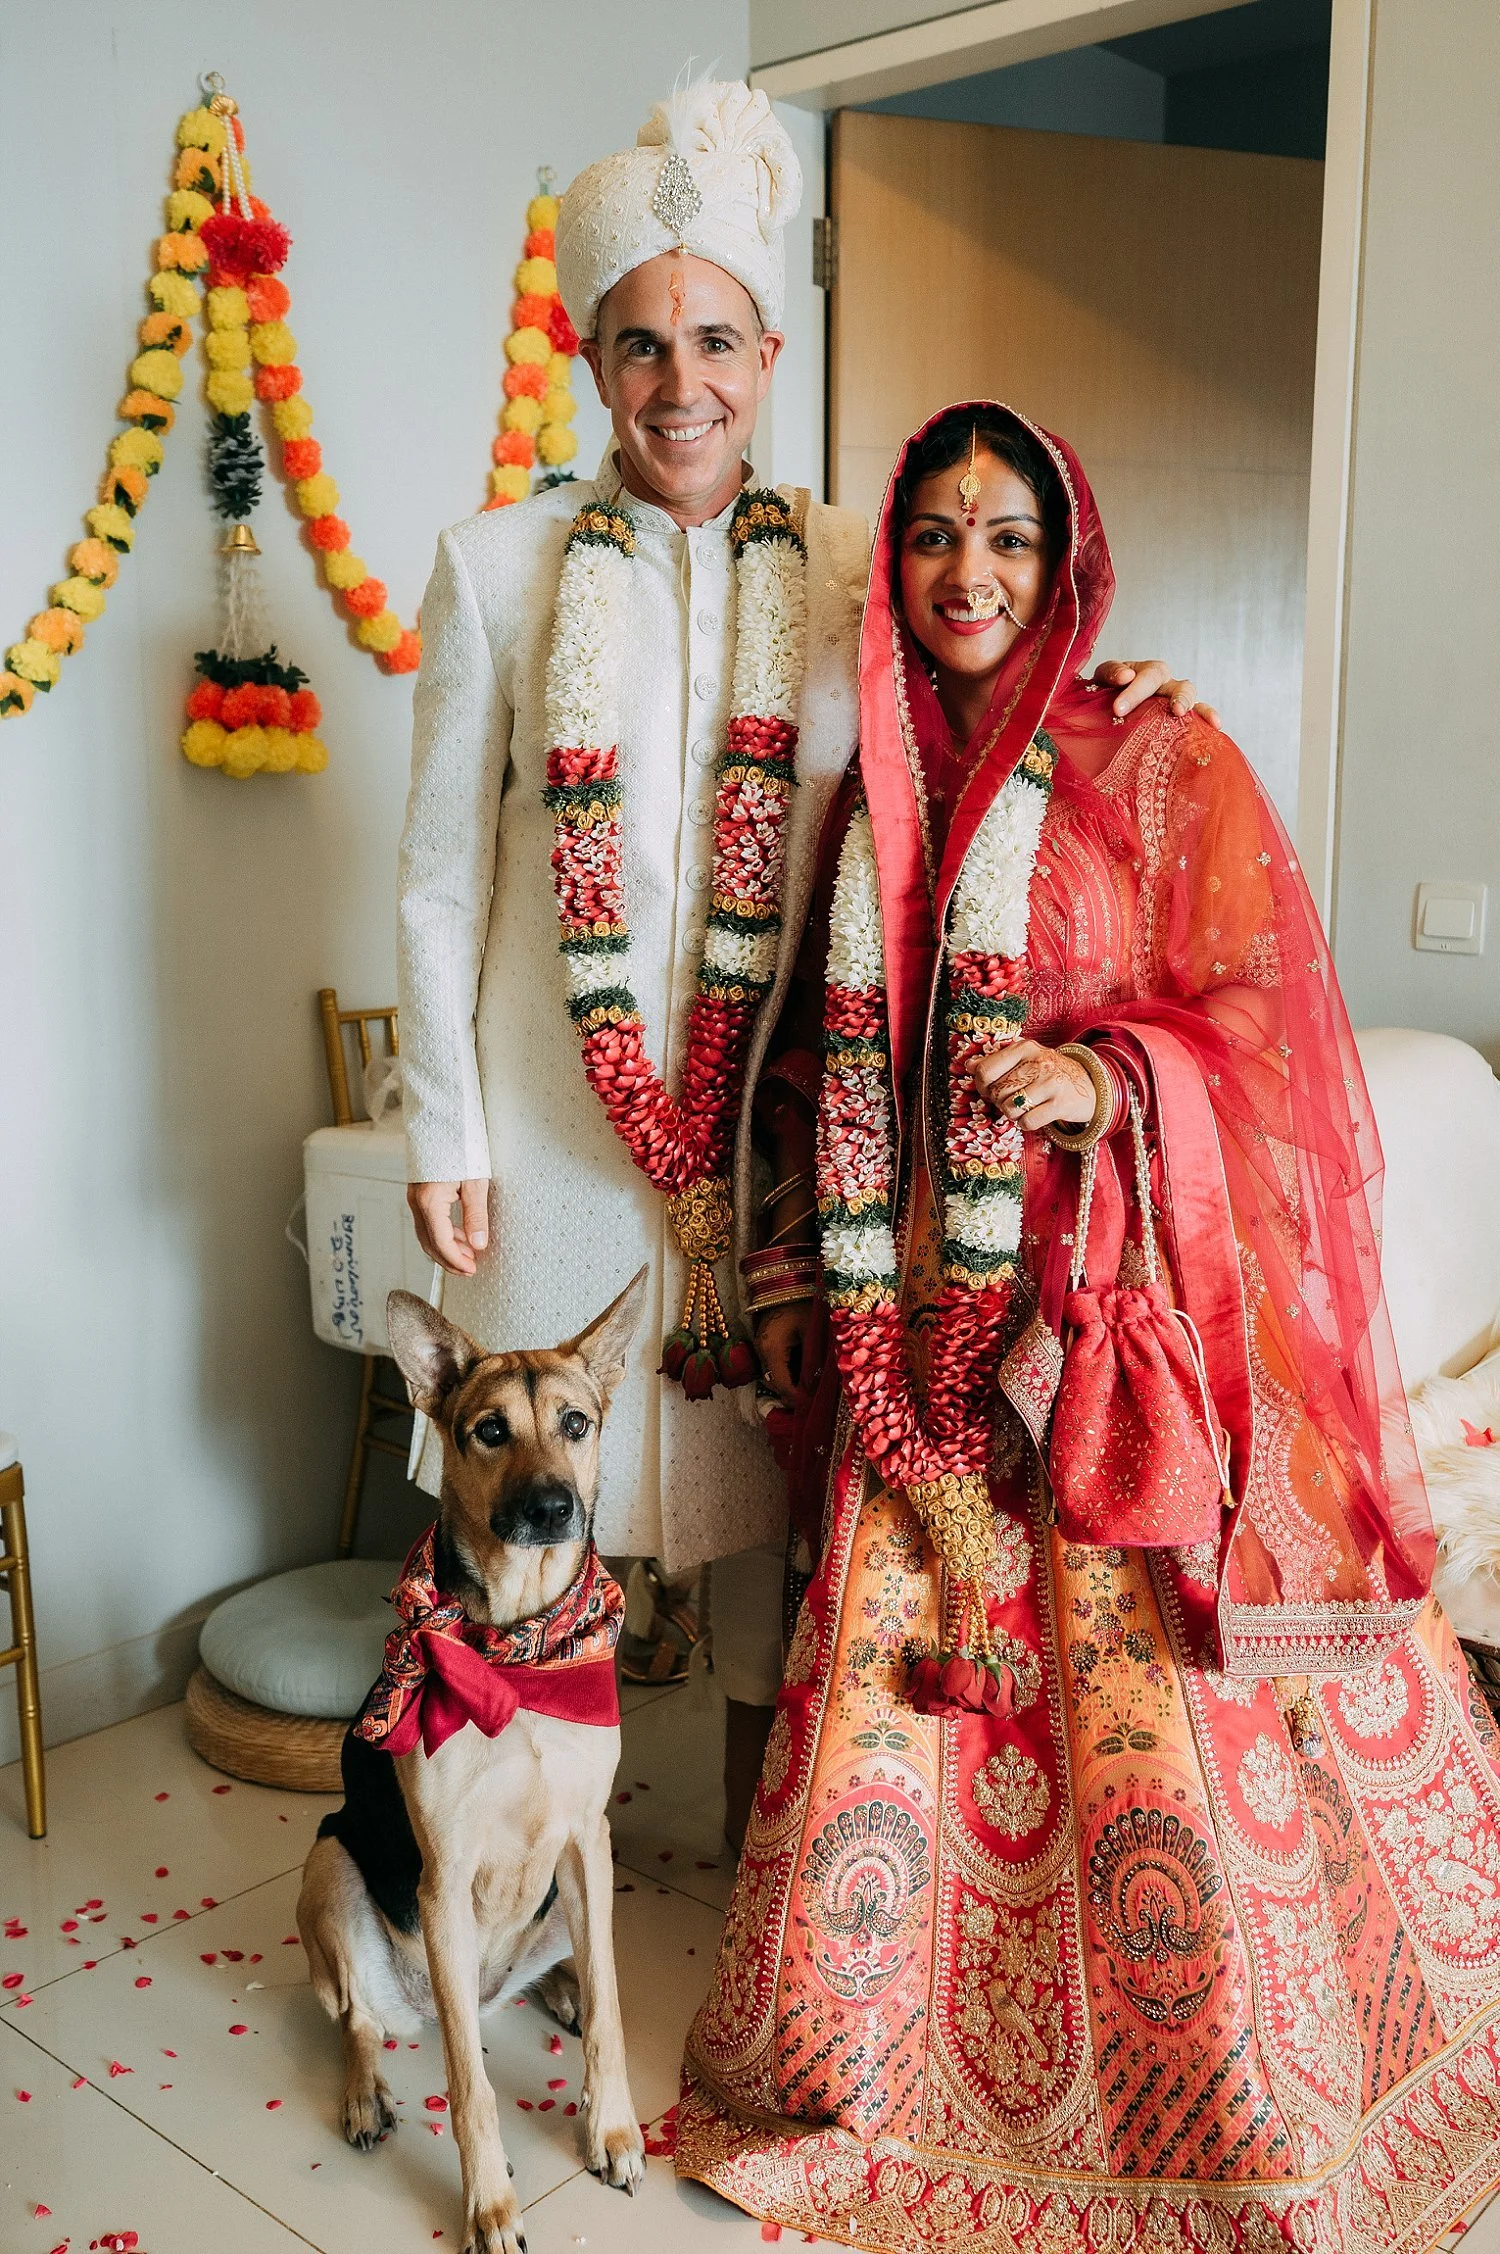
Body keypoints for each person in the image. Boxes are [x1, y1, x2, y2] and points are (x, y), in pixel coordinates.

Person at [678, 402, 1500, 2248]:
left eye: (1010, 541)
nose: (967, 575)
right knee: (913, 1691)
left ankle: (1209, 2068)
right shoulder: (865, 787)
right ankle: (909, 2049)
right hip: (924, 1335)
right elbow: (818, 1057)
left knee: (1167, 1719)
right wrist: (808, 1278)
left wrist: (1110, 1079)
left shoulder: (1156, 751)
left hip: (1111, 1313)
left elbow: (1268, 1015)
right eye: (934, 537)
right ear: (889, 559)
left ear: (1067, 563)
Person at [397, 80, 1206, 1850]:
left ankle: (775, 1846)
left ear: (768, 350)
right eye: (638, 346)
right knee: (549, 1486)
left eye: (714, 341)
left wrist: (1122, 687)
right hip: (556, 1105)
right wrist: (444, 1127)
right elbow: (444, 879)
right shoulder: (495, 564)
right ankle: (536, 1848)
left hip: (793, 1118)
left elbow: (997, 662)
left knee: (780, 1478)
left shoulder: (858, 557)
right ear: (590, 359)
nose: (679, 382)